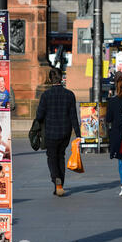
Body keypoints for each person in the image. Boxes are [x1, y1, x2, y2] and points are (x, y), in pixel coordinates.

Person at [35, 68, 81, 197]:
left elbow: (39, 115)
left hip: (50, 132)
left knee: (52, 157)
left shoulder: (45, 95)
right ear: (61, 78)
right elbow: (73, 116)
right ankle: (60, 184)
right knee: (61, 156)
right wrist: (78, 135)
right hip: (65, 132)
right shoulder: (69, 94)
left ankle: (57, 180)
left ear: (50, 80)